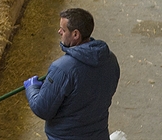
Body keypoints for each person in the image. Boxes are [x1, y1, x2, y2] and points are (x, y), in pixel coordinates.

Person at [24, 8, 120, 140]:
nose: (59, 32)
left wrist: (31, 88)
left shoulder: (62, 69)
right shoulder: (110, 59)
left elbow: (43, 109)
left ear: (75, 34)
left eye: (63, 30)